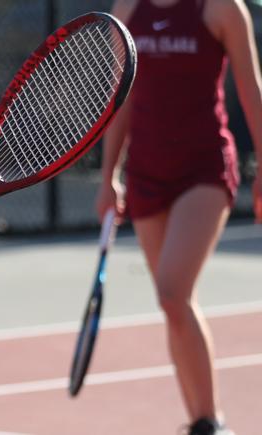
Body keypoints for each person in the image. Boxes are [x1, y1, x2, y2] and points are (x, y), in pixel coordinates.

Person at [98, 0, 262, 433]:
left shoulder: (223, 9)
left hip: (204, 170)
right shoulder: (129, 8)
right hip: (147, 173)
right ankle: (200, 421)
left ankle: (213, 425)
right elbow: (121, 100)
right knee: (173, 306)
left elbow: (251, 89)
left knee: (173, 293)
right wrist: (107, 177)